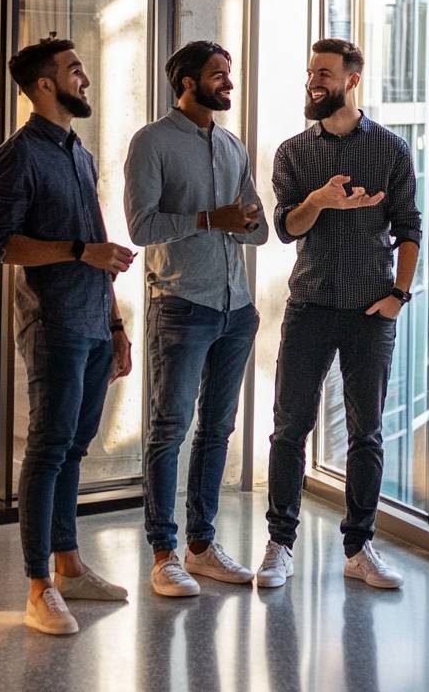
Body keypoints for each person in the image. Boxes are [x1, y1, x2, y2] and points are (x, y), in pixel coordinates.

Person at [0, 37, 134, 636]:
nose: (86, 79)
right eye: (75, 71)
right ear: (45, 85)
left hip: (95, 323)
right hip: (53, 326)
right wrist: (77, 253)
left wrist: (117, 325)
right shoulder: (14, 157)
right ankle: (38, 585)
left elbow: (97, 240)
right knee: (47, 450)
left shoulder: (79, 152)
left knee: (74, 448)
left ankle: (69, 564)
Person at [257, 38, 421, 590]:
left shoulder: (392, 151)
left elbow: (410, 229)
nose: (313, 82)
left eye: (324, 73)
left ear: (353, 79)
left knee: (366, 432)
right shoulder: (293, 153)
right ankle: (280, 544)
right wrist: (320, 201)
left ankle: (359, 547)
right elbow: (286, 228)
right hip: (310, 305)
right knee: (289, 429)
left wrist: (399, 295)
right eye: (310, 73)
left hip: (370, 311)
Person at [124, 40, 267, 597]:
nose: (228, 82)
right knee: (169, 430)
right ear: (186, 81)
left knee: (218, 430)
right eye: (217, 74)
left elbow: (258, 227)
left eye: (229, 73)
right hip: (183, 305)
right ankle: (164, 554)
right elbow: (141, 227)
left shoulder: (234, 145)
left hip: (237, 309)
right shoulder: (151, 143)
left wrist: (240, 222)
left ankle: (202, 547)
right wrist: (213, 218)